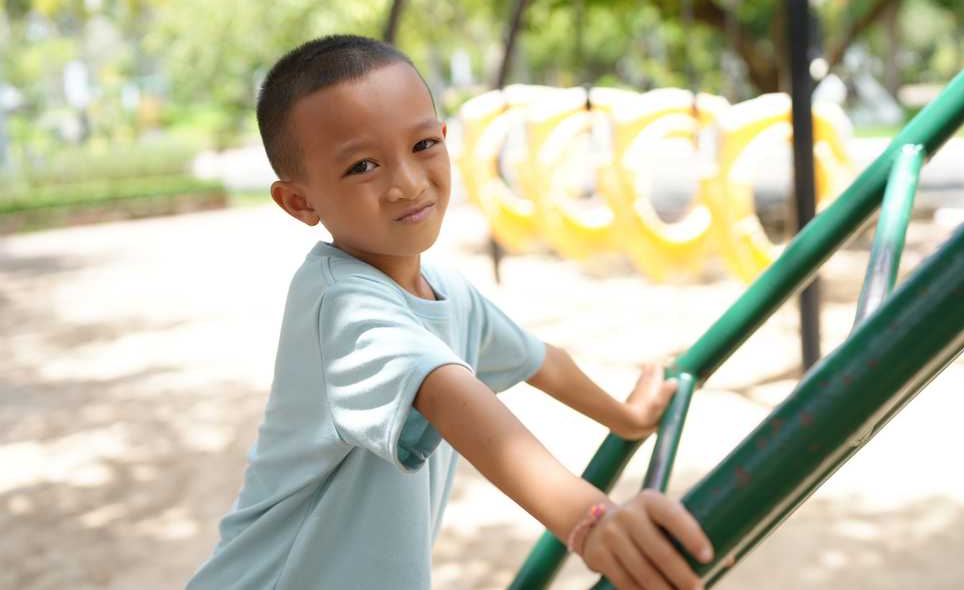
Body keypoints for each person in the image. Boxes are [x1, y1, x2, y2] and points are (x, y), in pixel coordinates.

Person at [186, 34, 713, 590]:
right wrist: (591, 521)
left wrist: (625, 417)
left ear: (443, 136)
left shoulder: (446, 290)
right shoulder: (339, 308)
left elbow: (541, 361)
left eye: (422, 145)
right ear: (300, 201)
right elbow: (450, 396)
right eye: (363, 166)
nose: (408, 183)